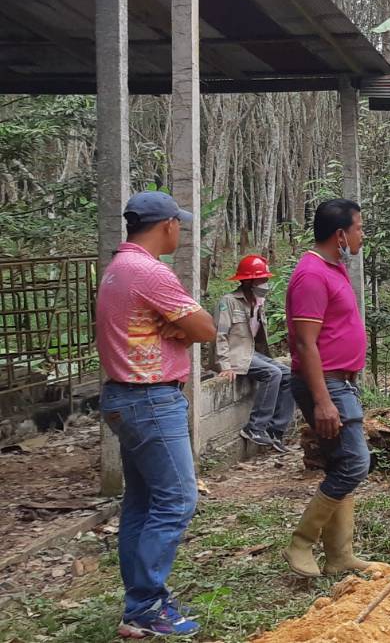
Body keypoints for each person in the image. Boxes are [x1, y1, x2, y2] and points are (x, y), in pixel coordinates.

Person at [96, 191, 216, 638]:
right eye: (178, 223)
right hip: (150, 399)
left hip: (124, 398)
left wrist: (172, 328)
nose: (180, 230)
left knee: (142, 503)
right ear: (166, 225)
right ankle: (146, 605)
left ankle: (139, 605)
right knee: (178, 499)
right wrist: (180, 328)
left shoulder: (116, 269)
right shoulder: (149, 271)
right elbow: (204, 328)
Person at [283, 199, 389, 579]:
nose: (363, 235)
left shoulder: (333, 268)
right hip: (325, 383)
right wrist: (323, 400)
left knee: (344, 463)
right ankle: (301, 542)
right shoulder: (312, 275)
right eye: (359, 228)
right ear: (340, 234)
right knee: (356, 463)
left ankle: (340, 555)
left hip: (340, 380)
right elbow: (306, 344)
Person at [214, 254, 293, 453]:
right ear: (249, 282)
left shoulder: (258, 303)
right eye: (261, 280)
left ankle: (275, 431)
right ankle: (255, 427)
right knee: (273, 374)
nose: (265, 284)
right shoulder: (229, 302)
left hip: (252, 354)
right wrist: (224, 365)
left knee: (288, 374)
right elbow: (220, 334)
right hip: (236, 356)